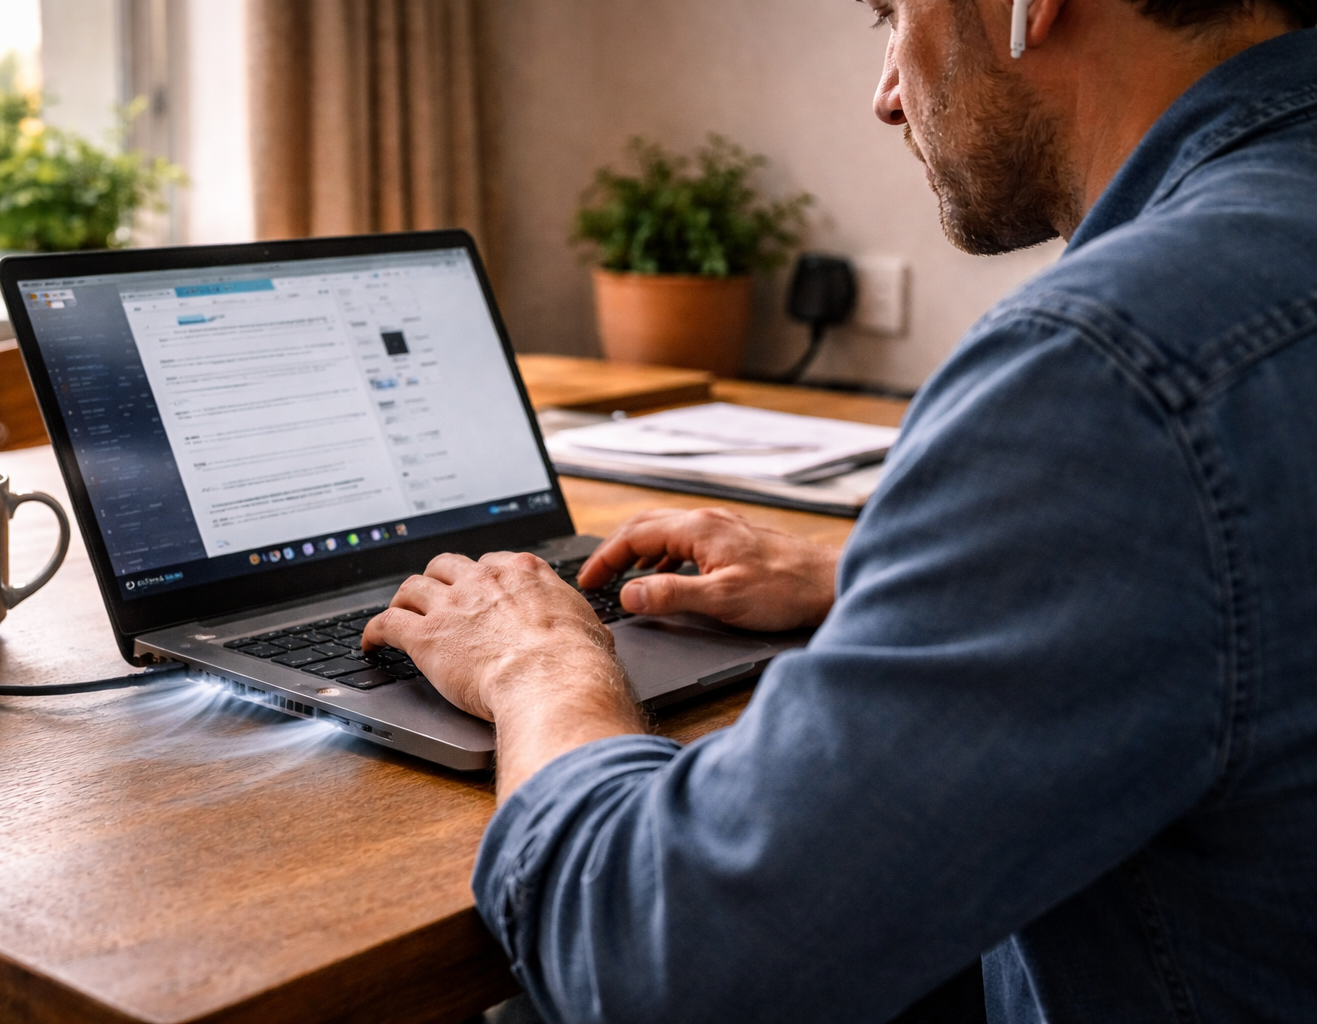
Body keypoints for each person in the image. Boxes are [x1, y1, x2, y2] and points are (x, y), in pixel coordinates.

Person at [363, 0, 1317, 1019]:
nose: (887, 94)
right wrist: (890, 572)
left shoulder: (1112, 370)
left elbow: (665, 961)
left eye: (891, 13)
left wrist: (538, 663)